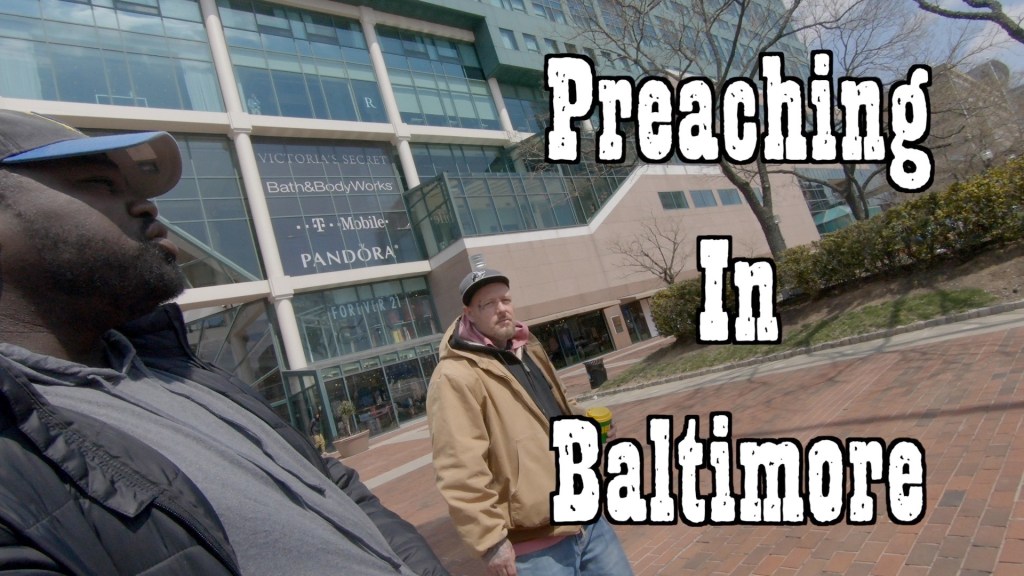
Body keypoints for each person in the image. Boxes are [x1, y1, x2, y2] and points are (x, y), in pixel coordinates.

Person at [0, 110, 448, 576]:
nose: (148, 207)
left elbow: (335, 485)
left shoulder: (179, 369)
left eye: (140, 191)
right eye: (100, 183)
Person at [426, 266, 633, 576]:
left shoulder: (529, 350)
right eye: (488, 304)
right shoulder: (455, 376)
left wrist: (586, 425)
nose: (501, 310)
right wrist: (490, 542)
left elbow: (557, 405)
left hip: (586, 518)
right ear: (468, 313)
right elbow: (459, 469)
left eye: (505, 300)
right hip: (535, 546)